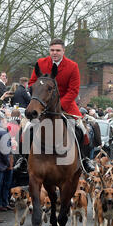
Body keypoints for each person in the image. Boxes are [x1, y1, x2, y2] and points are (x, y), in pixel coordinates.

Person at [28, 38, 95, 172]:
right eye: (52, 50)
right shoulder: (41, 63)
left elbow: (74, 90)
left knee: (82, 130)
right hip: (42, 106)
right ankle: (24, 160)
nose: (55, 53)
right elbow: (32, 83)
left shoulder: (72, 66)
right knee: (26, 129)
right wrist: (38, 99)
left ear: (63, 51)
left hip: (66, 106)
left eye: (58, 50)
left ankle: (84, 159)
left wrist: (60, 106)